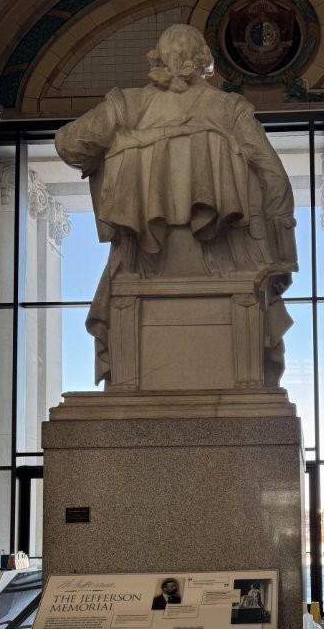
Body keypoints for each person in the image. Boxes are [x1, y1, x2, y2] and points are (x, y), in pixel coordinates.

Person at [55, 24, 298, 387]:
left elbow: (69, 144)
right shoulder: (229, 110)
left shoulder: (128, 105)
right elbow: (274, 178)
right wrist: (280, 254)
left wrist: (124, 141)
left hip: (143, 265)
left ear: (158, 58)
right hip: (224, 264)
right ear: (205, 62)